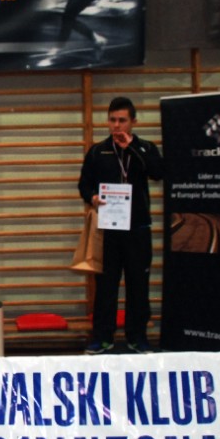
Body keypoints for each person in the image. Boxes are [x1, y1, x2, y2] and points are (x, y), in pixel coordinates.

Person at [78, 96, 163, 353]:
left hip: (138, 229)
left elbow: (158, 173)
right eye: (112, 120)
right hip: (108, 231)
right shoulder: (98, 151)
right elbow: (84, 184)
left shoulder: (145, 148)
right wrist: (92, 197)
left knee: (138, 285)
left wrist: (132, 148)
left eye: (122, 120)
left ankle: (137, 337)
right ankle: (103, 337)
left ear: (133, 121)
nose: (117, 125)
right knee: (106, 287)